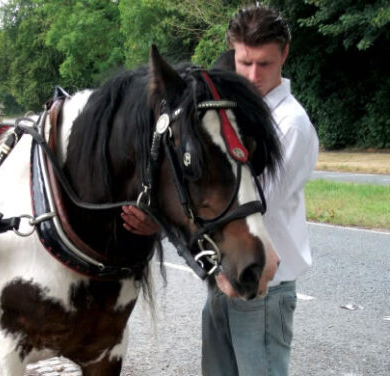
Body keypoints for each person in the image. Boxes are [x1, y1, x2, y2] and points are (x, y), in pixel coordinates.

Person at [122, 4, 319, 375]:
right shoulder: (231, 112)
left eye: (265, 64)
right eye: (244, 63)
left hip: (262, 284)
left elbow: (245, 207)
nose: (253, 75)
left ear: (285, 55)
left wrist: (160, 226)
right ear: (232, 51)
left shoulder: (289, 124)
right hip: (224, 273)